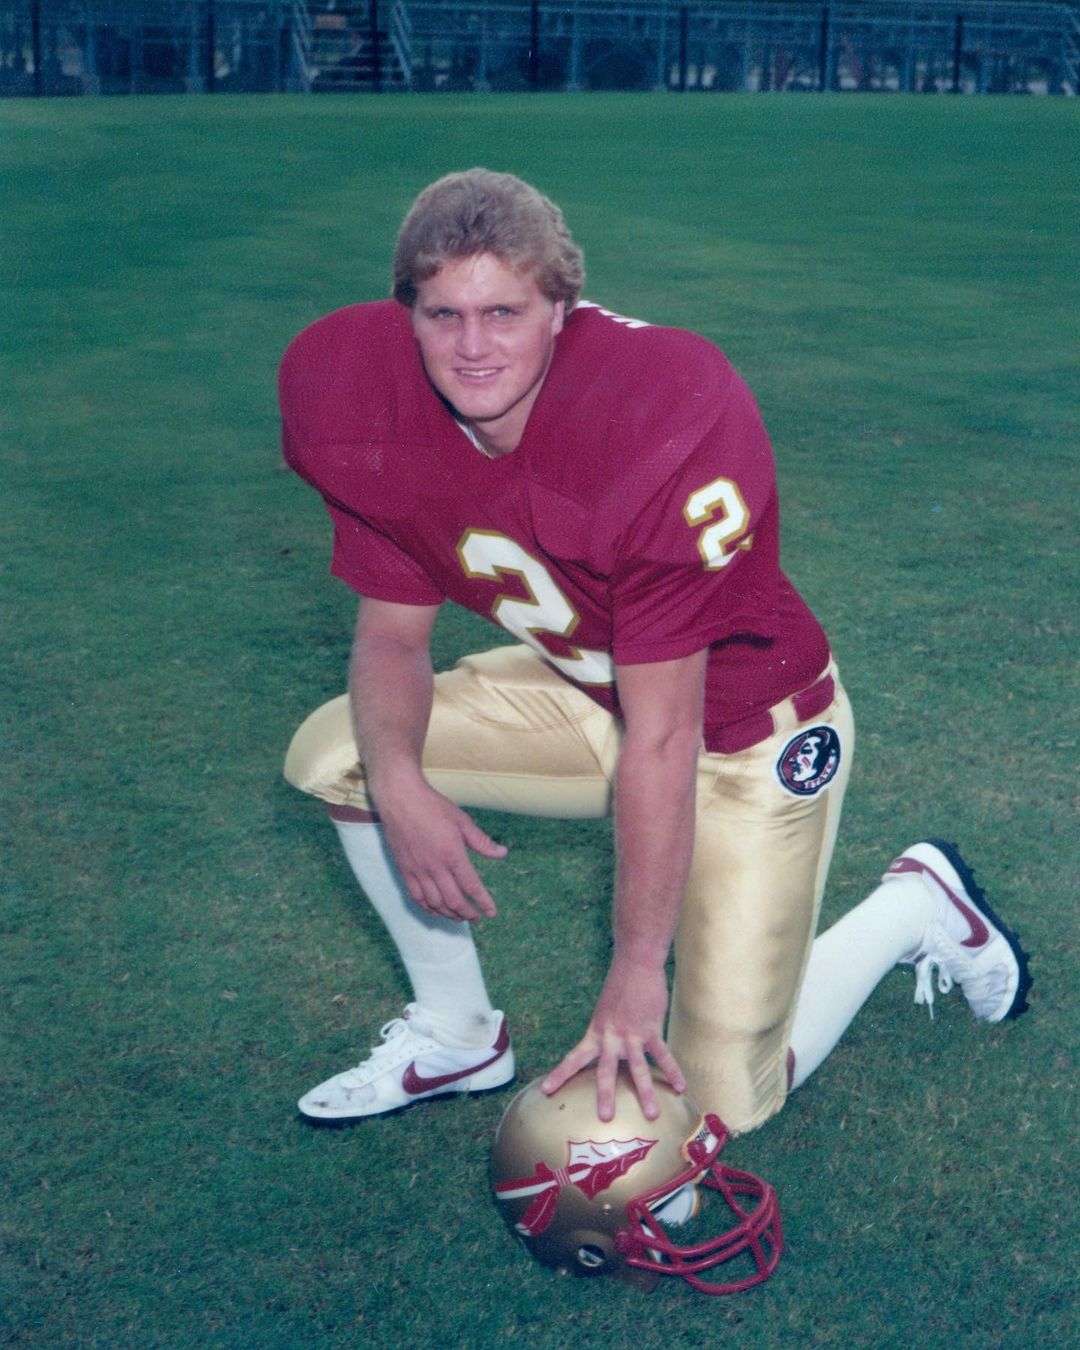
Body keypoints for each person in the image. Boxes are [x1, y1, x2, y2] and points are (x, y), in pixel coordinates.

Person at [279, 168, 1030, 1132]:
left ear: (561, 309)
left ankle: (917, 906)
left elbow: (669, 736)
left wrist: (637, 972)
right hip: (591, 690)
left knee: (715, 1109)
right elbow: (391, 633)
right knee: (343, 756)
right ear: (407, 315)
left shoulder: (657, 409)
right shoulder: (355, 389)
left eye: (503, 312)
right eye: (444, 314)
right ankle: (458, 1035)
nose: (471, 346)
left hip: (744, 731)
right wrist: (398, 781)